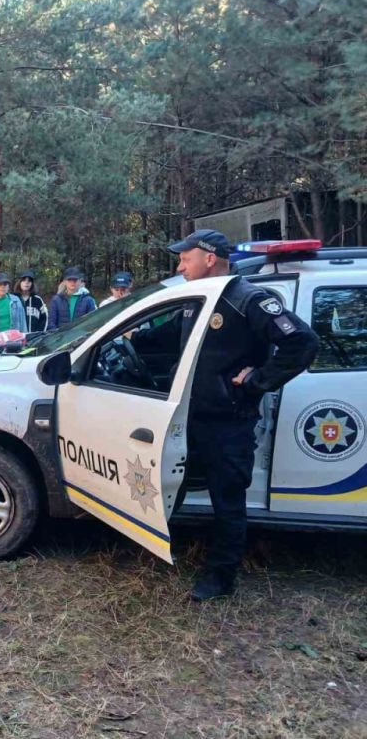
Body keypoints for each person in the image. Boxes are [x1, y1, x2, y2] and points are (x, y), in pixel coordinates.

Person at [132, 230, 318, 601]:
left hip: (227, 424)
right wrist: (129, 337)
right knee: (173, 487)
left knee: (227, 502)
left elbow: (302, 342)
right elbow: (169, 336)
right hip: (188, 421)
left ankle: (220, 579)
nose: (180, 265)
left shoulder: (246, 299)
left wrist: (257, 382)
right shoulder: (197, 300)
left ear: (209, 258)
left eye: (185, 259)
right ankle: (164, 547)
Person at [14, 269, 47, 333]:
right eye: (24, 280)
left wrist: (39, 335)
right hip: (16, 339)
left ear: (32, 284)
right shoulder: (13, 299)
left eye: (29, 281)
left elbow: (44, 319)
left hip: (34, 339)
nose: (26, 283)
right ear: (19, 282)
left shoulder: (38, 300)